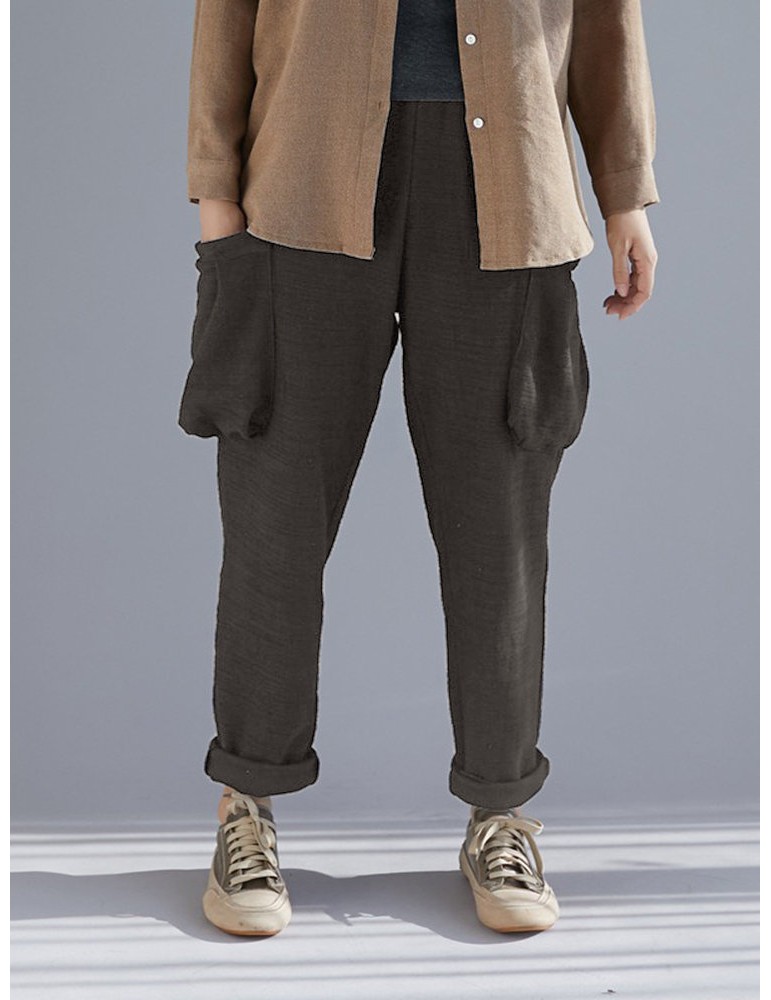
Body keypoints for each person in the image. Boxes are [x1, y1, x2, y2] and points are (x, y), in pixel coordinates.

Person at [178, 0, 660, 937]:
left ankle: (500, 816)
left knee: (499, 534)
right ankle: (246, 807)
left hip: (511, 183)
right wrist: (216, 190)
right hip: (299, 180)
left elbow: (607, 15)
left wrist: (623, 192)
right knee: (275, 523)